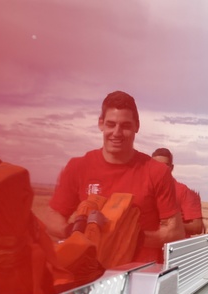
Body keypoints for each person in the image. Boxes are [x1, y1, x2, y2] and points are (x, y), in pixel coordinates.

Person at [45, 91, 183, 263]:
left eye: (125, 126)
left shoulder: (156, 172)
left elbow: (175, 232)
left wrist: (131, 237)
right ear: (101, 124)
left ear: (136, 127)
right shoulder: (78, 167)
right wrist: (74, 231)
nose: (117, 133)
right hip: (88, 272)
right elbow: (52, 216)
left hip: (137, 274)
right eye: (111, 124)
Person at [151, 147, 205, 237]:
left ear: (171, 167)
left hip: (175, 247)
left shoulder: (184, 191)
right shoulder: (145, 189)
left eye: (165, 166)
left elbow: (197, 227)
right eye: (156, 165)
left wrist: (173, 226)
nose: (160, 169)